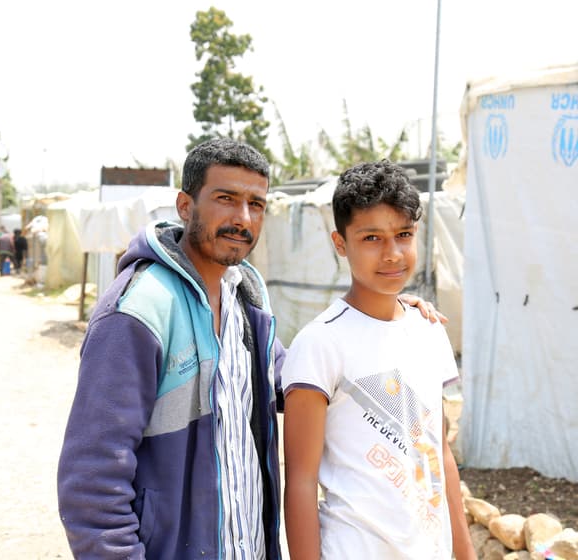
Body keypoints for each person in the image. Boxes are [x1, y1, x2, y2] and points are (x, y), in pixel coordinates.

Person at [57, 140, 444, 559]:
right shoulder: (139, 311)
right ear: (185, 206)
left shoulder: (245, 300)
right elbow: (91, 484)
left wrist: (391, 314)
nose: (242, 218)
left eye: (256, 204)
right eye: (226, 199)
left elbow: (298, 379)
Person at [282, 161, 475, 559]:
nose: (392, 254)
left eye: (403, 234)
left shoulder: (428, 330)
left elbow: (440, 453)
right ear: (340, 243)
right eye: (372, 238)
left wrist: (465, 553)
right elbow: (300, 481)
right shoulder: (320, 343)